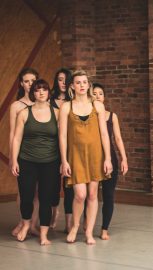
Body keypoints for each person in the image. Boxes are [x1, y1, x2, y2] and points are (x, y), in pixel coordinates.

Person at [59, 70, 112, 245]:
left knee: (92, 194)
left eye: (84, 82)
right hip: (76, 156)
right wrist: (64, 160)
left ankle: (88, 232)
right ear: (72, 86)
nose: (82, 85)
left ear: (88, 85)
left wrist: (108, 159)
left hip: (96, 155)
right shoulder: (67, 107)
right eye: (78, 82)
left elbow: (104, 134)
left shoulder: (97, 105)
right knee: (80, 195)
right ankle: (75, 226)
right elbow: (63, 136)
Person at [10, 79, 60, 245]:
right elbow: (17, 139)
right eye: (38, 90)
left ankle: (43, 234)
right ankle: (26, 225)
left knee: (46, 198)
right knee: (27, 197)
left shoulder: (57, 113)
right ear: (33, 93)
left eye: (44, 89)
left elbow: (63, 139)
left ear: (48, 92)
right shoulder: (24, 113)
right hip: (27, 161)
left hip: (50, 162)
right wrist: (14, 160)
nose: (41, 92)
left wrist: (64, 161)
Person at [92, 83, 128, 240]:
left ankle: (104, 229)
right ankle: (87, 226)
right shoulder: (88, 115)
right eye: (94, 93)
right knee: (90, 195)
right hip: (92, 157)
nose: (98, 96)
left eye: (100, 93)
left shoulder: (112, 116)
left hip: (109, 158)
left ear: (104, 96)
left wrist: (124, 159)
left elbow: (118, 139)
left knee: (108, 195)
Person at [9, 68, 40, 237]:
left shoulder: (43, 103)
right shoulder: (17, 106)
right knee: (24, 191)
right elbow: (13, 134)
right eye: (26, 81)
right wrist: (13, 158)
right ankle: (23, 222)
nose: (30, 84)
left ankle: (32, 224)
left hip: (40, 154)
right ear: (21, 83)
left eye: (32, 81)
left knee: (37, 192)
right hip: (23, 154)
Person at [49, 68, 74, 232]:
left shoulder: (74, 101)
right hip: (51, 147)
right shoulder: (49, 100)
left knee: (68, 185)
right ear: (56, 81)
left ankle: (69, 222)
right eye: (60, 79)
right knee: (52, 184)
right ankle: (54, 212)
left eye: (66, 79)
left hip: (70, 147)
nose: (63, 83)